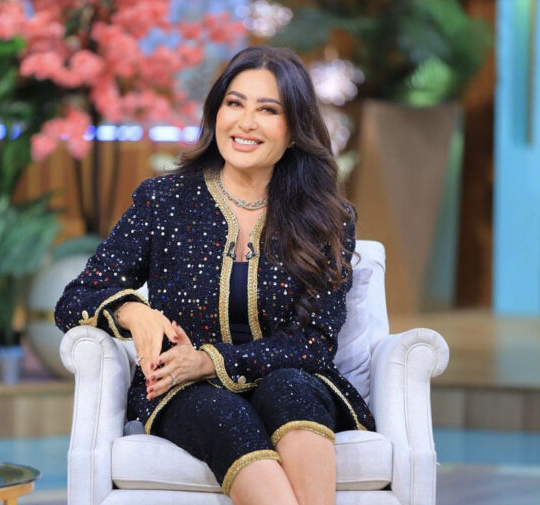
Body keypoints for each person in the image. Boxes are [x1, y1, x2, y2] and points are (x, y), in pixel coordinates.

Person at [55, 45, 374, 505]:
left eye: (268, 110)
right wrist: (134, 312)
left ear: (294, 130)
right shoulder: (164, 201)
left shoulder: (326, 218)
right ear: (216, 112)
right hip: (183, 390)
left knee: (290, 389)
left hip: (291, 380)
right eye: (235, 103)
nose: (246, 122)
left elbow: (314, 342)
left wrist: (210, 360)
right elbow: (75, 298)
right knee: (223, 415)